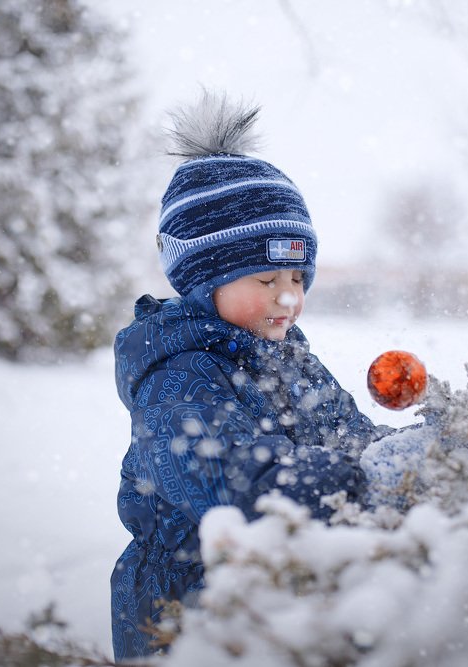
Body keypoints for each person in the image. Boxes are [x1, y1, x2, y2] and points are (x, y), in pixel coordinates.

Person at [110, 92, 389, 660]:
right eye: (266, 280)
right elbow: (240, 485)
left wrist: (403, 455)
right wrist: (356, 482)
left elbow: (350, 436)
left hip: (273, 600)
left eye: (299, 277)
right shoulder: (176, 377)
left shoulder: (290, 358)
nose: (289, 297)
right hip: (190, 614)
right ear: (203, 281)